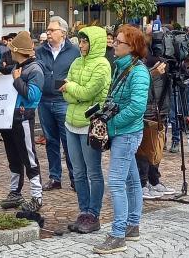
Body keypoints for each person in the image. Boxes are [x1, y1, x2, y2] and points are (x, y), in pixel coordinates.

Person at [92, 24, 150, 255]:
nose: (114, 44)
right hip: (122, 131)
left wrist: (111, 124)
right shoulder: (122, 67)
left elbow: (137, 107)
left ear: (132, 47)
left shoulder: (138, 71)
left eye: (119, 42)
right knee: (131, 180)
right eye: (115, 41)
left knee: (116, 182)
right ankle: (132, 225)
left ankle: (118, 234)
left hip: (126, 133)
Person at [60, 25, 110, 234]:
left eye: (85, 42)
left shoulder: (103, 64)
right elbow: (66, 94)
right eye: (80, 42)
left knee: (93, 172)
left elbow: (90, 92)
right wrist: (74, 92)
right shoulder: (76, 62)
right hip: (71, 123)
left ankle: (93, 214)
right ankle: (83, 211)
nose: (81, 46)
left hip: (90, 125)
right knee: (78, 172)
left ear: (95, 43)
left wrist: (71, 89)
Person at [0, 31, 46, 213]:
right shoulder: (19, 65)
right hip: (9, 118)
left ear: (18, 51)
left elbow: (32, 96)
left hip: (23, 117)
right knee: (13, 157)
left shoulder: (35, 70)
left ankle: (36, 196)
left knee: (28, 156)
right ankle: (15, 192)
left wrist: (16, 80)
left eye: (12, 49)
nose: (10, 52)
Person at [36, 15, 81, 191]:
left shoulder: (74, 51)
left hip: (64, 101)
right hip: (44, 101)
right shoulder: (40, 51)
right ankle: (55, 178)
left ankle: (75, 178)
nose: (48, 32)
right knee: (50, 141)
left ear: (63, 32)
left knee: (68, 142)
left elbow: (77, 74)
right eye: (47, 30)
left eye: (51, 30)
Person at [137, 55, 173, 200]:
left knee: (157, 147)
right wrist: (153, 73)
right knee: (144, 148)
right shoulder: (141, 63)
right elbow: (140, 84)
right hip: (147, 110)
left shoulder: (167, 58)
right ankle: (142, 182)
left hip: (161, 108)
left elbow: (182, 78)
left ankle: (153, 179)